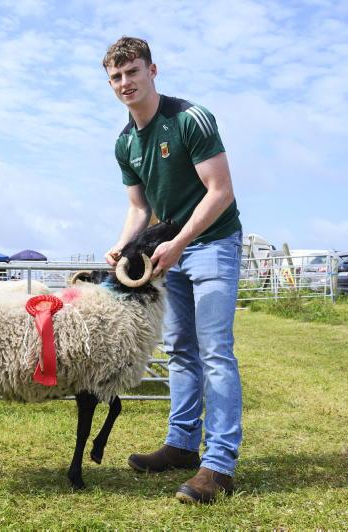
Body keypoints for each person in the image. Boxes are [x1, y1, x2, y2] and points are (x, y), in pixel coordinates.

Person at [102, 36, 243, 504]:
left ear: (152, 70)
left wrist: (180, 243)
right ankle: (182, 445)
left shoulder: (189, 119)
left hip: (212, 242)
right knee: (180, 349)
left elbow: (220, 190)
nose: (125, 82)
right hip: (171, 250)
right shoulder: (125, 142)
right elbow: (139, 209)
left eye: (133, 72)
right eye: (117, 76)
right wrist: (122, 246)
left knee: (215, 350)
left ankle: (219, 464)